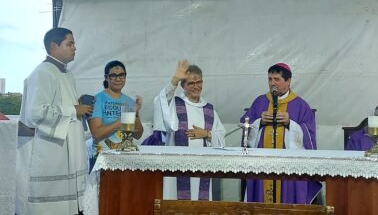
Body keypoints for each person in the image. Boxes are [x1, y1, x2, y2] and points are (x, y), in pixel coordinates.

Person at [19, 27, 92, 215]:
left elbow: (63, 106)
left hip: (69, 149)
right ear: (53, 46)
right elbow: (35, 112)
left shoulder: (67, 74)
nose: (75, 48)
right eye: (70, 43)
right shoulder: (43, 73)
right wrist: (73, 109)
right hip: (51, 151)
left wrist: (77, 105)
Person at [240, 62, 321, 204]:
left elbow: (310, 133)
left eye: (277, 79)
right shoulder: (260, 102)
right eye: (270, 79)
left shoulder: (300, 105)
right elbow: (244, 125)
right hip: (261, 165)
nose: (272, 83)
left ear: (288, 81)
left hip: (289, 169)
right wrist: (259, 122)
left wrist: (291, 124)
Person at [153, 60, 225, 200]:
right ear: (183, 85)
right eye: (191, 83)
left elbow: (221, 138)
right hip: (177, 167)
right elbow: (160, 100)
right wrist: (174, 79)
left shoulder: (209, 109)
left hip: (202, 168)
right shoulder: (175, 104)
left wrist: (207, 134)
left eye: (199, 82)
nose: (196, 86)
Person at [89, 60, 144, 168]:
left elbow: (137, 135)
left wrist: (135, 113)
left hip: (126, 157)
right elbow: (96, 134)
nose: (118, 79)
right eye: (113, 75)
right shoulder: (98, 99)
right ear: (106, 77)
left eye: (121, 75)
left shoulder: (128, 101)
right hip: (103, 157)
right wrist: (121, 122)